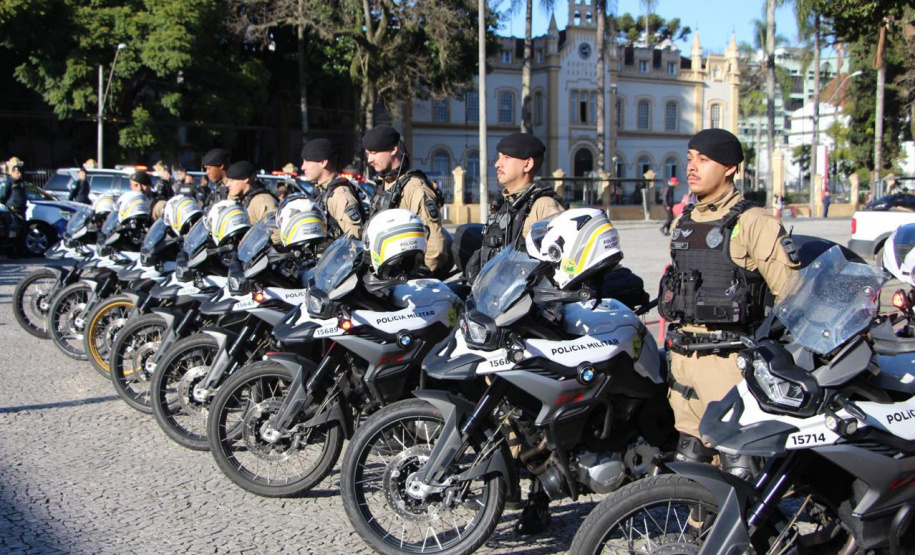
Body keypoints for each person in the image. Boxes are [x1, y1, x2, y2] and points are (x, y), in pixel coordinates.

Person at [659, 128, 800, 480]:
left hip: (728, 363)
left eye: (703, 160)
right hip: (684, 363)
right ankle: (697, 533)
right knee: (691, 464)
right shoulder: (683, 222)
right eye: (690, 159)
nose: (692, 167)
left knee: (739, 470)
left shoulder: (754, 222)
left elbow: (792, 293)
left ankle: (752, 534)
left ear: (730, 168)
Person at [464, 132, 565, 283]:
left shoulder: (543, 205)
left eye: (507, 157)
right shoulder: (503, 205)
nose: (498, 164)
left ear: (528, 164)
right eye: (499, 157)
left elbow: (561, 261)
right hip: (494, 296)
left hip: (528, 301)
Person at [363, 124, 450, 277]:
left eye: (374, 153)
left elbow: (435, 246)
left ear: (393, 149)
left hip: (404, 282)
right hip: (384, 276)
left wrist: (418, 280)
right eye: (367, 153)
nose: (369, 159)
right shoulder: (384, 184)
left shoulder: (415, 187)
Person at [300, 138, 364, 240]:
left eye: (307, 161)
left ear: (323, 162)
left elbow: (355, 239)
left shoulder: (339, 195)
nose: (303, 167)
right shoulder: (322, 191)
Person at [225, 160, 278, 225]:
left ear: (245, 179)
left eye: (231, 181)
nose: (227, 185)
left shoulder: (262, 201)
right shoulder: (237, 198)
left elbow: (275, 231)